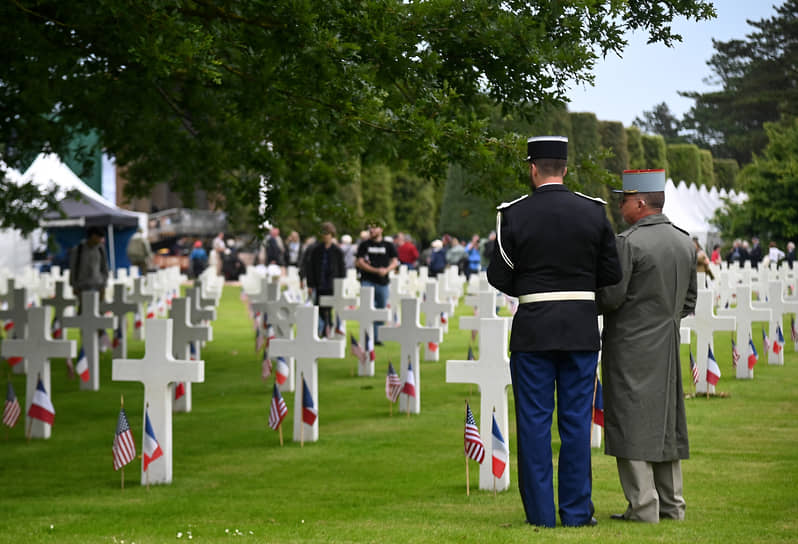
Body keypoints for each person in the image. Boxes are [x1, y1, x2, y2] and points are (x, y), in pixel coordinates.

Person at [487, 136, 621, 528]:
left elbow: (500, 275)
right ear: (565, 169)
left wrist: (535, 292)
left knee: (533, 422)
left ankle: (542, 516)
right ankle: (577, 513)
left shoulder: (514, 214)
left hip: (533, 330)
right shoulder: (594, 212)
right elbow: (611, 274)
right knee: (577, 423)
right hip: (580, 328)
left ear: (533, 169)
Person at [597, 169, 697, 524]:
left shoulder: (629, 243)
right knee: (667, 423)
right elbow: (689, 301)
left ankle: (643, 507)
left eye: (623, 200)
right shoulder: (685, 242)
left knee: (631, 422)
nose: (620, 206)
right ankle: (672, 505)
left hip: (629, 346)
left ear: (640, 203)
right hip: (666, 345)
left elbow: (609, 298)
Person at [355, 221, 399, 345]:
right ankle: (366, 336)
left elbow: (395, 261)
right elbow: (360, 262)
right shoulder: (364, 245)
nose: (372, 230)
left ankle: (377, 337)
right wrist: (375, 270)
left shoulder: (388, 245)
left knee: (381, 310)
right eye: (370, 228)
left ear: (381, 230)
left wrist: (386, 270)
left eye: (374, 228)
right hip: (367, 281)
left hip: (383, 282)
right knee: (367, 309)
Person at [306, 222, 346, 337]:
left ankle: (329, 327)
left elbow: (341, 269)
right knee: (320, 308)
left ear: (332, 234)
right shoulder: (316, 250)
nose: (325, 236)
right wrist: (310, 285)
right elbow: (311, 268)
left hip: (332, 285)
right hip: (320, 284)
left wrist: (340, 284)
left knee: (329, 308)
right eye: (323, 233)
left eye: (328, 233)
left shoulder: (337, 251)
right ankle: (324, 329)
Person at [69, 225, 110, 301]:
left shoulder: (100, 249)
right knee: (83, 310)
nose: (101, 240)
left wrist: (104, 285)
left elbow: (104, 267)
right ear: (93, 236)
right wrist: (74, 286)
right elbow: (73, 268)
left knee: (99, 310)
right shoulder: (79, 250)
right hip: (82, 286)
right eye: (99, 237)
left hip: (98, 285)